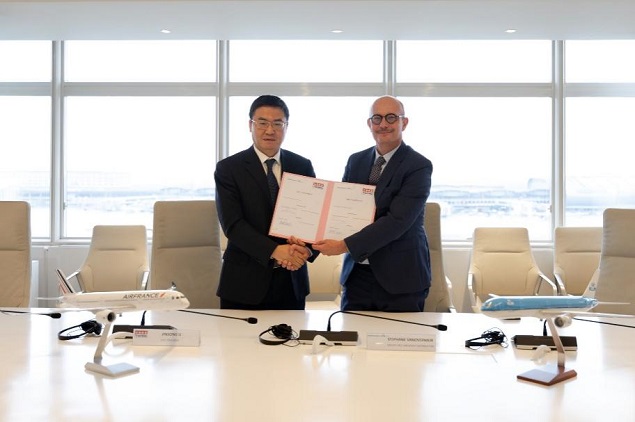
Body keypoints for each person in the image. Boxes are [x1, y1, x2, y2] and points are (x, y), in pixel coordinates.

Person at [313, 95, 433, 312]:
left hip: (400, 278)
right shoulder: (356, 160)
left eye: (391, 117)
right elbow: (343, 208)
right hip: (357, 275)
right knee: (352, 333)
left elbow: (397, 221)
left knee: (400, 334)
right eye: (377, 118)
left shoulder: (418, 165)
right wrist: (312, 237)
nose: (383, 124)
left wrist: (343, 245)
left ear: (404, 122)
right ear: (369, 124)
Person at [214, 95, 316, 310]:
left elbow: (311, 217)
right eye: (262, 123)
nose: (270, 130)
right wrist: (276, 251)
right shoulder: (229, 168)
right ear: (250, 125)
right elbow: (233, 225)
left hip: (291, 281)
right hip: (244, 283)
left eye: (278, 123)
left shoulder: (302, 165)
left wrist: (306, 251)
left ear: (286, 127)